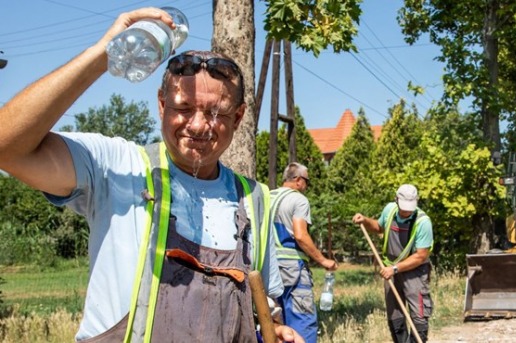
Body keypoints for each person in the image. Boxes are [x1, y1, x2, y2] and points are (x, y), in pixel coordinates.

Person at [0, 8, 303, 343]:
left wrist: (273, 326)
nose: (199, 125)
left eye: (216, 112)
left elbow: (264, 301)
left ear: (239, 116)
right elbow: (7, 147)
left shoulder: (255, 199)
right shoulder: (117, 167)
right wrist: (104, 53)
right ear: (162, 105)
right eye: (184, 108)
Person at [352, 184, 434, 343]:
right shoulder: (389, 210)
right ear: (396, 200)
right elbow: (378, 227)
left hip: (414, 272)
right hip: (390, 269)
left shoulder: (423, 222)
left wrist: (395, 269)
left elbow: (421, 256)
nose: (406, 211)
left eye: (410, 207)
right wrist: (365, 220)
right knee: (395, 315)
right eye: (403, 207)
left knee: (419, 315)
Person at [269, 162, 338, 343]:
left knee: (276, 320)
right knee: (302, 318)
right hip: (293, 269)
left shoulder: (267, 197)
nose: (306, 186)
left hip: (268, 267)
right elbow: (300, 235)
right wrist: (324, 261)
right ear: (298, 180)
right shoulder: (299, 200)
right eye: (307, 181)